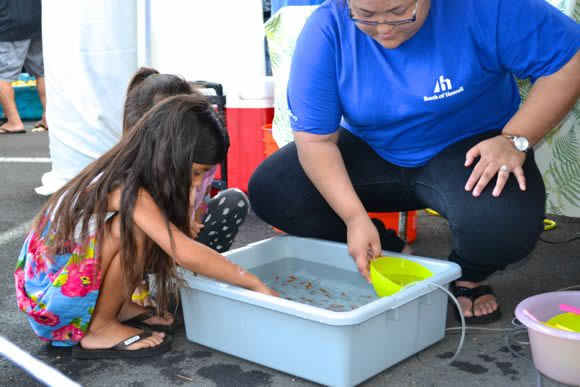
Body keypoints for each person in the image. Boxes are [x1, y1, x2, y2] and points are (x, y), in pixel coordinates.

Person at [249, 0, 580, 324]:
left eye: (398, 13)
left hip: (468, 145)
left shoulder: (487, 6)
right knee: (273, 190)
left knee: (506, 223)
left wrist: (515, 139)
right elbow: (315, 140)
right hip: (371, 146)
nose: (383, 29)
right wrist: (353, 218)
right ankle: (388, 251)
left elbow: (570, 59)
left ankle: (468, 275)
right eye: (365, 15)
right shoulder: (327, 26)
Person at [14, 93, 278, 360]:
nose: (198, 183)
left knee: (146, 228)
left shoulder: (139, 172)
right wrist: (253, 282)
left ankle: (121, 307)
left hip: (62, 289)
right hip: (50, 303)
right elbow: (183, 251)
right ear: (169, 154)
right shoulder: (130, 190)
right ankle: (101, 327)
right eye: (195, 172)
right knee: (135, 229)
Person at [121, 68, 253, 311]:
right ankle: (133, 292)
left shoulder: (199, 162)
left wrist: (192, 212)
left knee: (234, 201)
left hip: (180, 241)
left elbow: (198, 208)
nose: (199, 177)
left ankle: (200, 276)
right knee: (133, 227)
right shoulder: (129, 175)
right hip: (151, 243)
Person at [0, 0, 47, 134]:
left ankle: (14, 122)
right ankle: (49, 118)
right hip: (37, 18)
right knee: (42, 71)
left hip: (10, 22)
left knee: (2, 75)